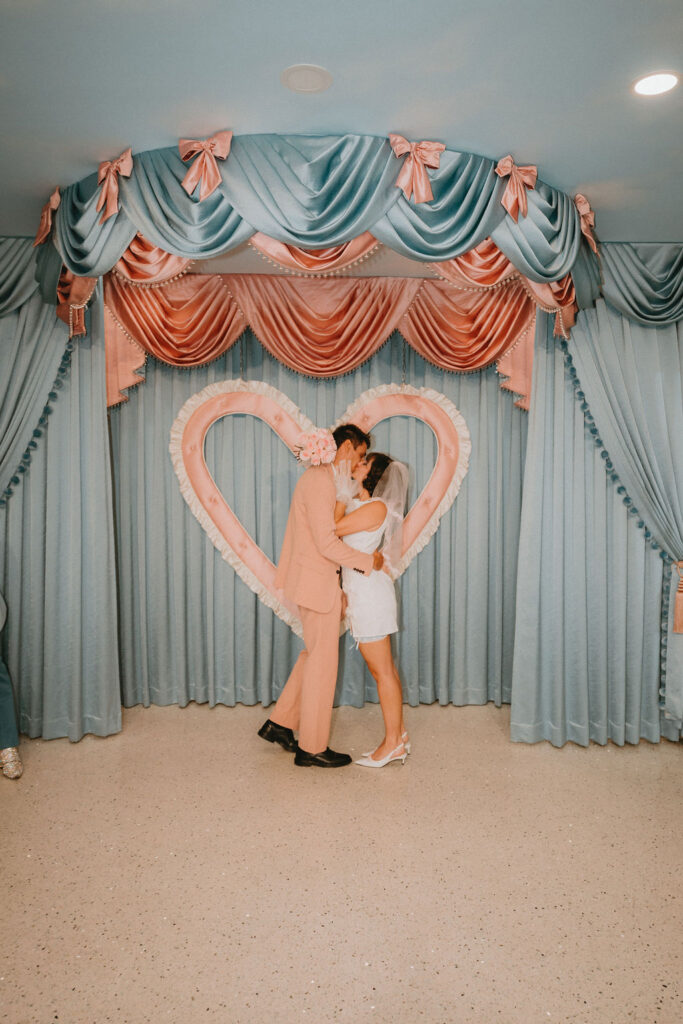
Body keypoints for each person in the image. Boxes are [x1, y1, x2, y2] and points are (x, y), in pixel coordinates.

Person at [258, 424, 384, 768]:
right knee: (322, 667)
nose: (359, 464)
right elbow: (326, 543)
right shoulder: (318, 481)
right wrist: (367, 563)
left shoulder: (329, 481)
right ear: (345, 447)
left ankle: (280, 724)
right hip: (315, 584)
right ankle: (311, 747)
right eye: (359, 455)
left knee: (313, 657)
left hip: (319, 583)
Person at [334, 453, 410, 769]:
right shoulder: (360, 505)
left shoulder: (375, 507)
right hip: (362, 589)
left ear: (373, 473)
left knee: (382, 672)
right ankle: (399, 737)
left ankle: (392, 743)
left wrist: (340, 492)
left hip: (369, 594)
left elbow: (331, 530)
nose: (357, 464)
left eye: (364, 462)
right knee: (385, 670)